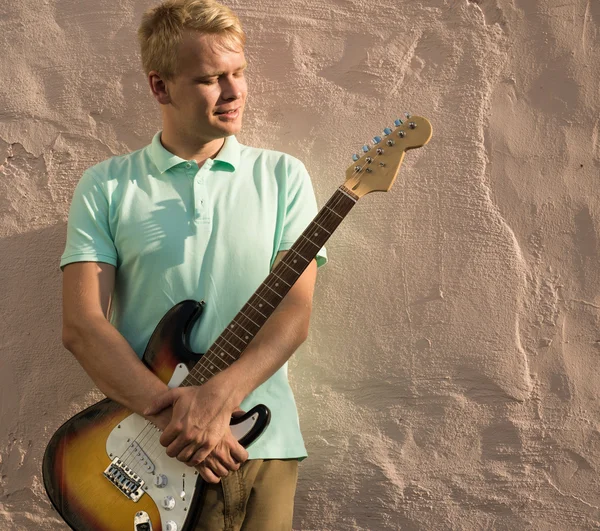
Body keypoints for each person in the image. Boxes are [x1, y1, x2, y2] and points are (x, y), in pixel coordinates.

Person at [59, 0, 327, 529]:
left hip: (258, 445)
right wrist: (176, 417)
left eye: (238, 73)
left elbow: (293, 316)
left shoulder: (282, 178)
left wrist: (217, 402)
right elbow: (82, 326)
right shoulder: (107, 186)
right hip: (141, 453)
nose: (233, 93)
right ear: (160, 87)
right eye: (210, 79)